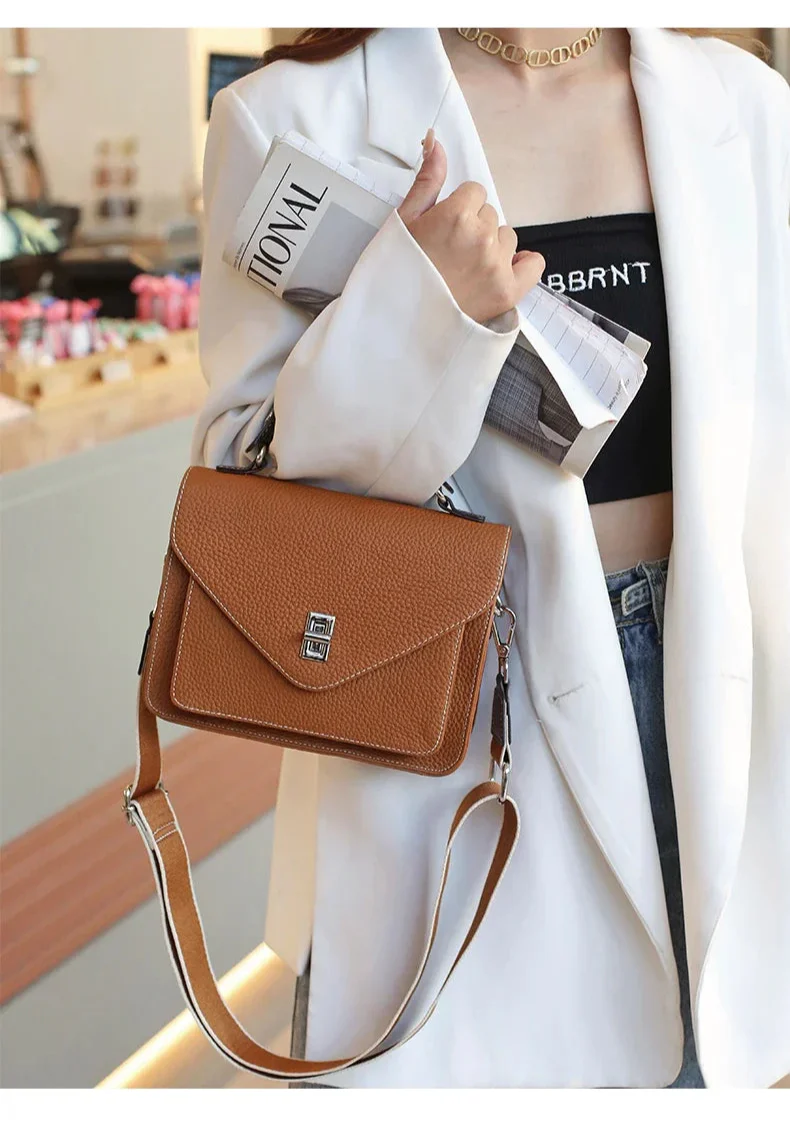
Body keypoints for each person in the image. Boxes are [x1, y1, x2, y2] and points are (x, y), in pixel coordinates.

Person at [192, 28, 790, 1088]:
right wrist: (416, 316)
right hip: (456, 714)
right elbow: (252, 494)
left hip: (730, 687)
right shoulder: (291, 115)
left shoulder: (741, 102)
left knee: (722, 1051)